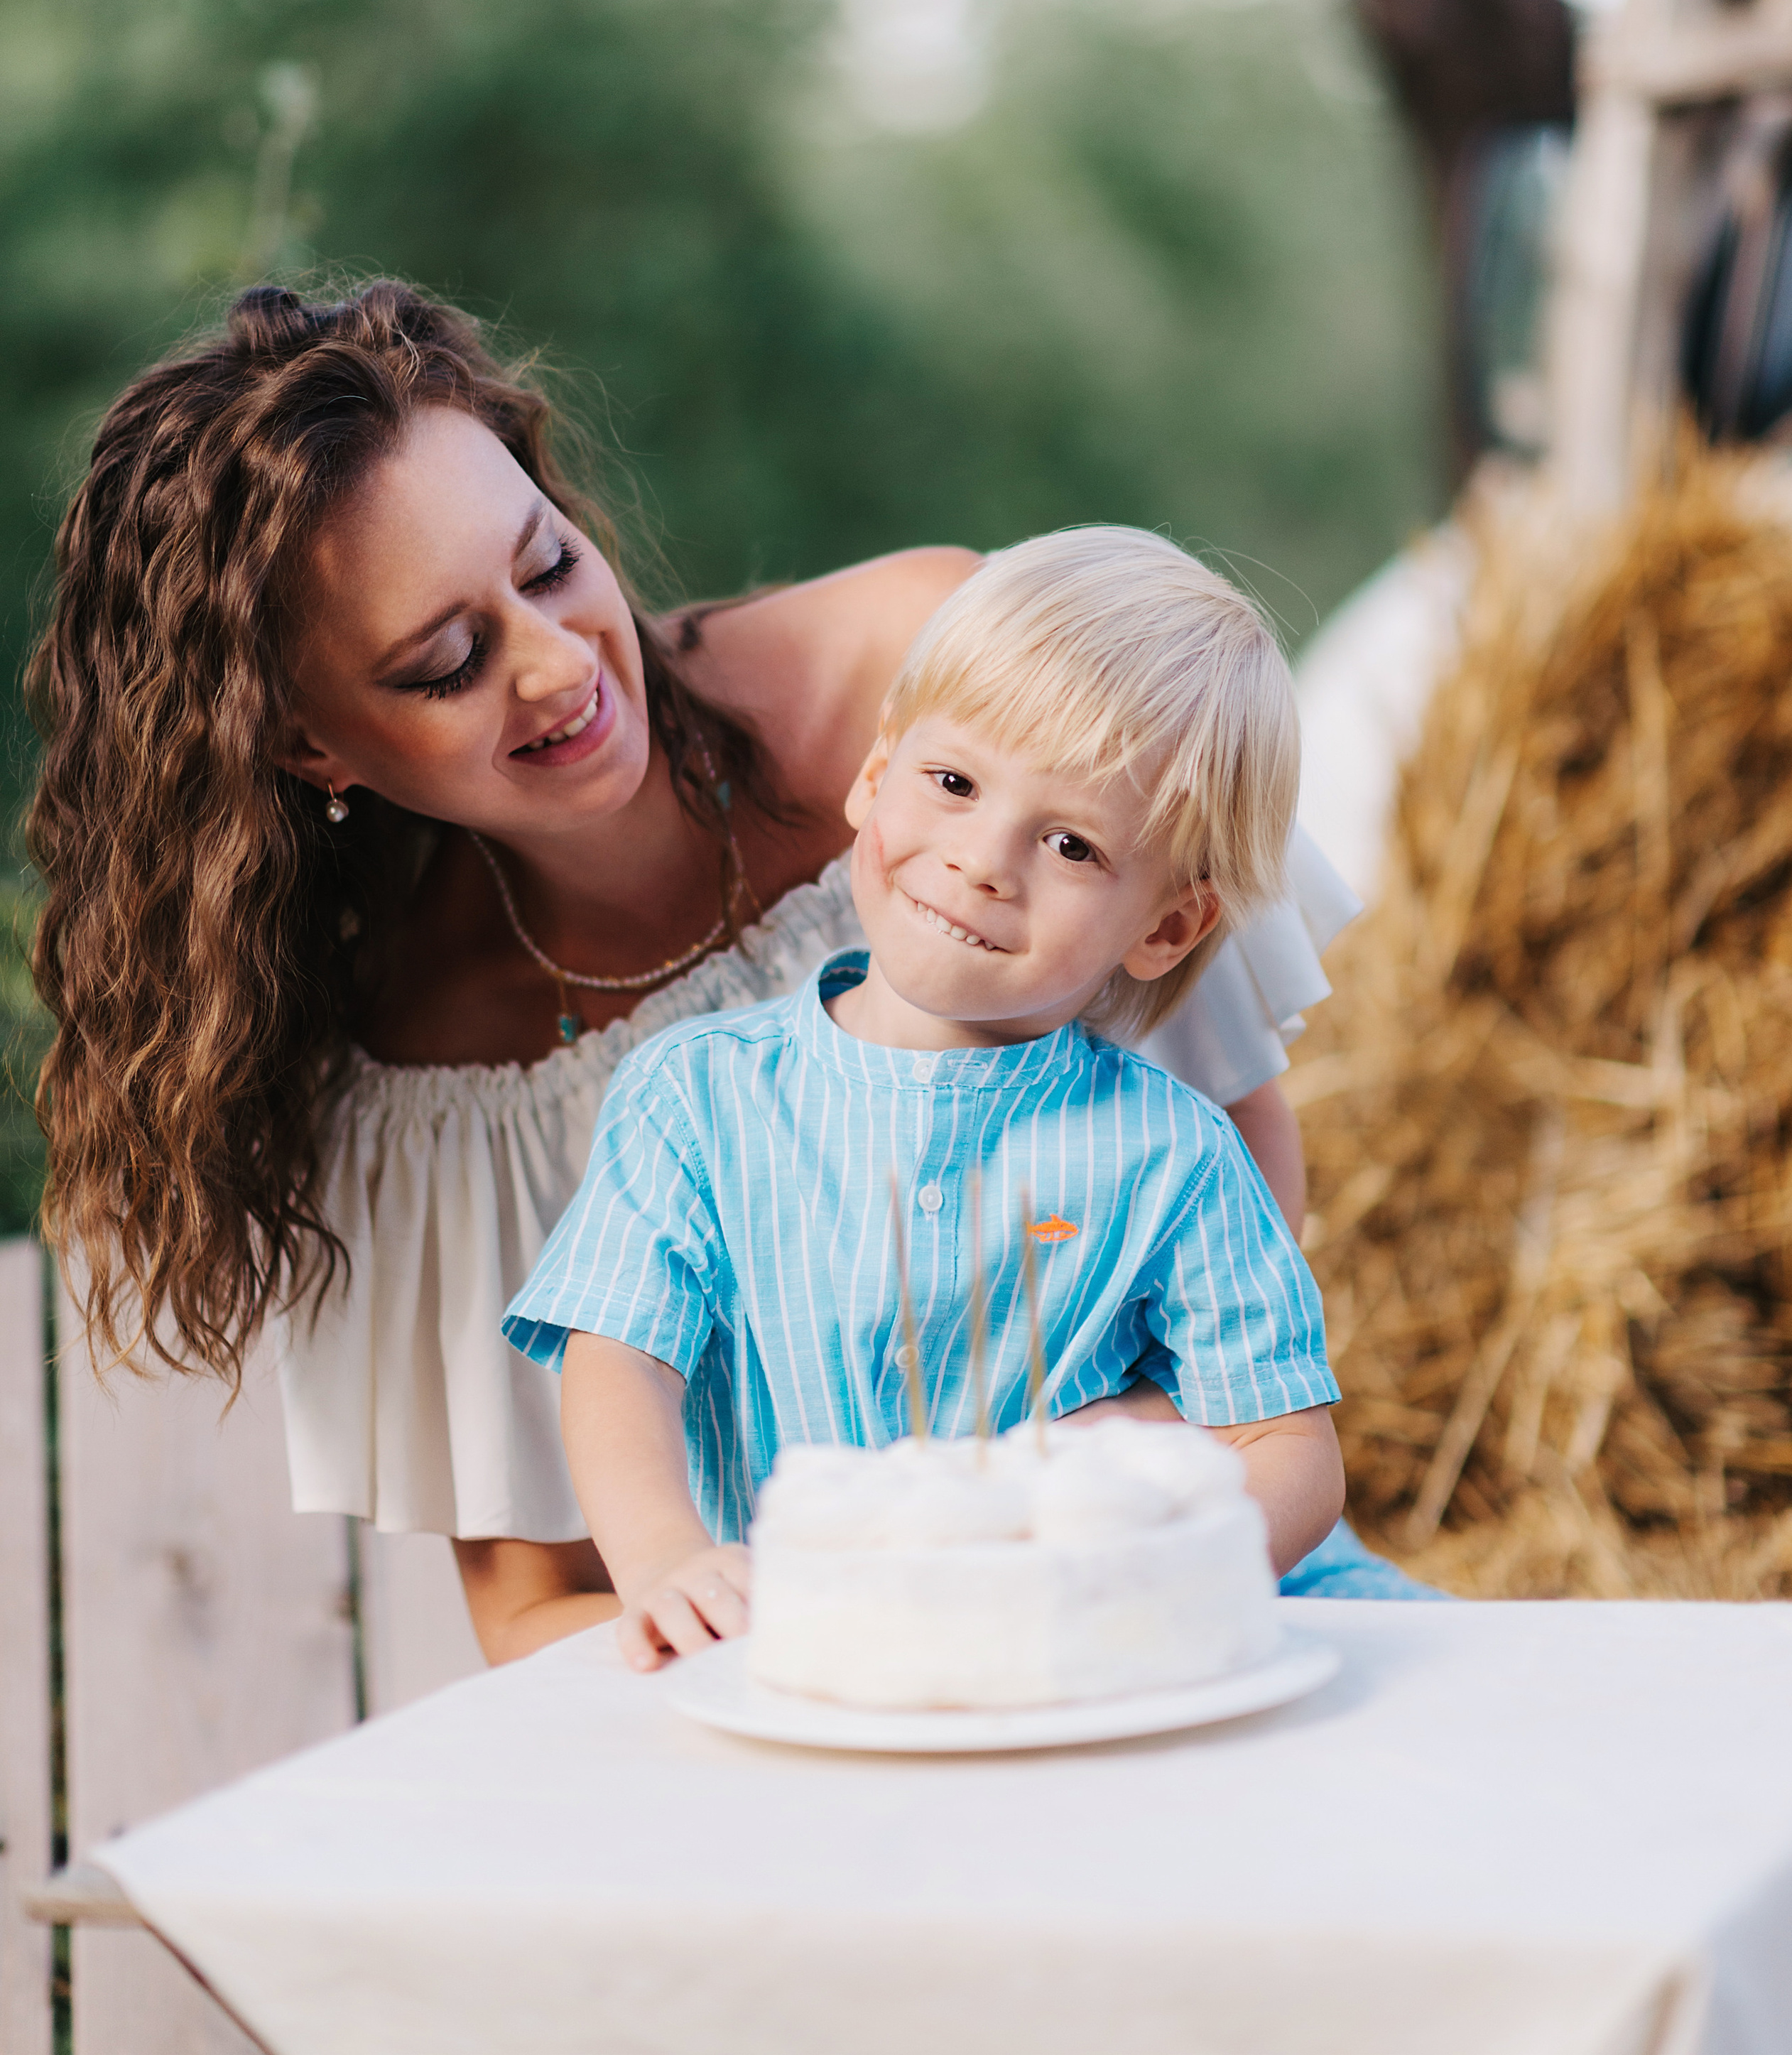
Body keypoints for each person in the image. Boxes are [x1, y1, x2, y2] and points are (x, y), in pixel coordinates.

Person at [26, 281, 1384, 1670]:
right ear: (313, 748)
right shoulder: (435, 1082)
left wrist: (1111, 1488)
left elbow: (1238, 1164)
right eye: (447, 661)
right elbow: (534, 1607)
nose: (558, 665)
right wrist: (881, 1591)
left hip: (1148, 1592)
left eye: (547, 565)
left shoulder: (947, 684)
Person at [504, 529, 1345, 1666]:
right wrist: (663, 1558)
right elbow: (620, 1359)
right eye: (952, 783)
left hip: (1084, 1660)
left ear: (1167, 927)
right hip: (823, 1655)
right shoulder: (695, 1099)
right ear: (873, 774)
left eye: (1073, 844)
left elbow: (1289, 1448)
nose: (985, 860)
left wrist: (1156, 1580)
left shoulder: (1172, 1152)